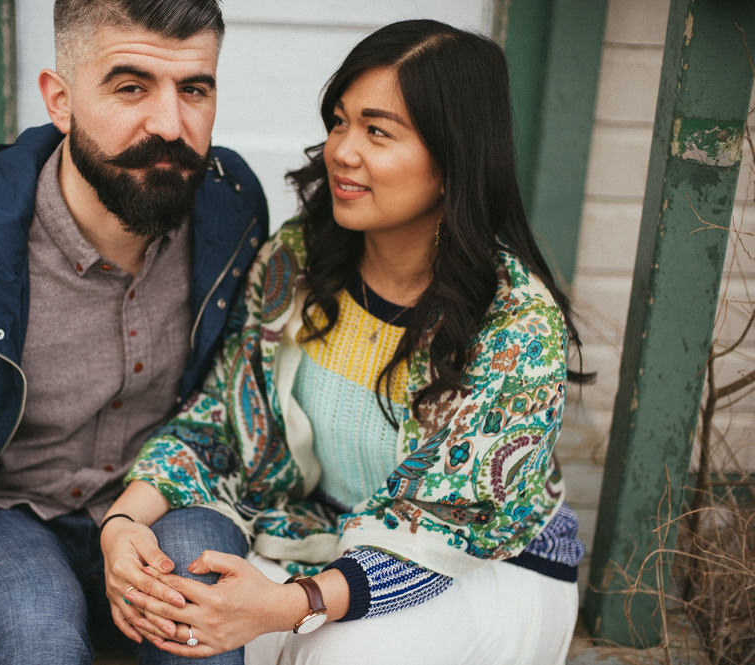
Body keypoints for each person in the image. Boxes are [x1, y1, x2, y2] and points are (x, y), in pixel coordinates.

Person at [100, 19, 590, 665]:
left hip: (484, 568)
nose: (341, 151)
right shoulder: (297, 262)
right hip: (321, 539)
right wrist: (122, 523)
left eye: (377, 131)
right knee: (189, 615)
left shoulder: (516, 324)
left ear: (452, 161)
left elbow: (446, 530)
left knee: (350, 655)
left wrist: (288, 604)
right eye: (339, 121)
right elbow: (221, 419)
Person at [0, 1, 268, 664]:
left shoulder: (231, 204)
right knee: (35, 630)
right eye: (131, 87)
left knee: (198, 621)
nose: (169, 123)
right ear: (61, 101)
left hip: (164, 499)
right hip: (10, 516)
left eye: (194, 89)